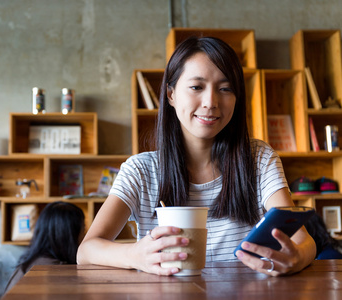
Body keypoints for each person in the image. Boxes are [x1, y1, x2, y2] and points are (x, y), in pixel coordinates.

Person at [77, 36, 316, 276]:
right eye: (196, 87)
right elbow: (86, 252)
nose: (211, 102)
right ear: (171, 94)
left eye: (225, 89)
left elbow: (304, 241)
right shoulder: (141, 170)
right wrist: (135, 255)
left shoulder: (259, 159)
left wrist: (296, 257)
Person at [5, 201, 85, 292]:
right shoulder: (55, 270)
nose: (85, 235)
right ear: (70, 235)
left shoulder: (32, 261)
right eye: (83, 229)